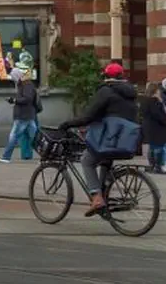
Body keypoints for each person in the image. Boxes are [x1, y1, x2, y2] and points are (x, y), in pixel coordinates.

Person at [58, 62, 141, 216]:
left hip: (109, 137)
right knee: (105, 160)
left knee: (87, 160)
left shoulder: (106, 91)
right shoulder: (131, 93)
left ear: (106, 76)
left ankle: (97, 198)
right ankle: (104, 196)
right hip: (125, 141)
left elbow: (90, 115)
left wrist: (68, 124)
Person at [0, 68, 39, 163]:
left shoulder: (26, 85)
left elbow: (28, 99)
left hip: (23, 115)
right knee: (35, 136)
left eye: (13, 77)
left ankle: (6, 157)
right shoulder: (23, 84)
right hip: (27, 115)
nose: (13, 79)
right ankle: (47, 155)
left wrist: (15, 100)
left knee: (14, 136)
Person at [142, 81, 166, 174]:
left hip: (150, 127)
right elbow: (158, 114)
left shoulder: (145, 100)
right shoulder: (154, 101)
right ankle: (158, 166)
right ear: (155, 91)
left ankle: (152, 165)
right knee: (158, 148)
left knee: (152, 147)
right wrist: (164, 121)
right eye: (158, 90)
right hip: (157, 128)